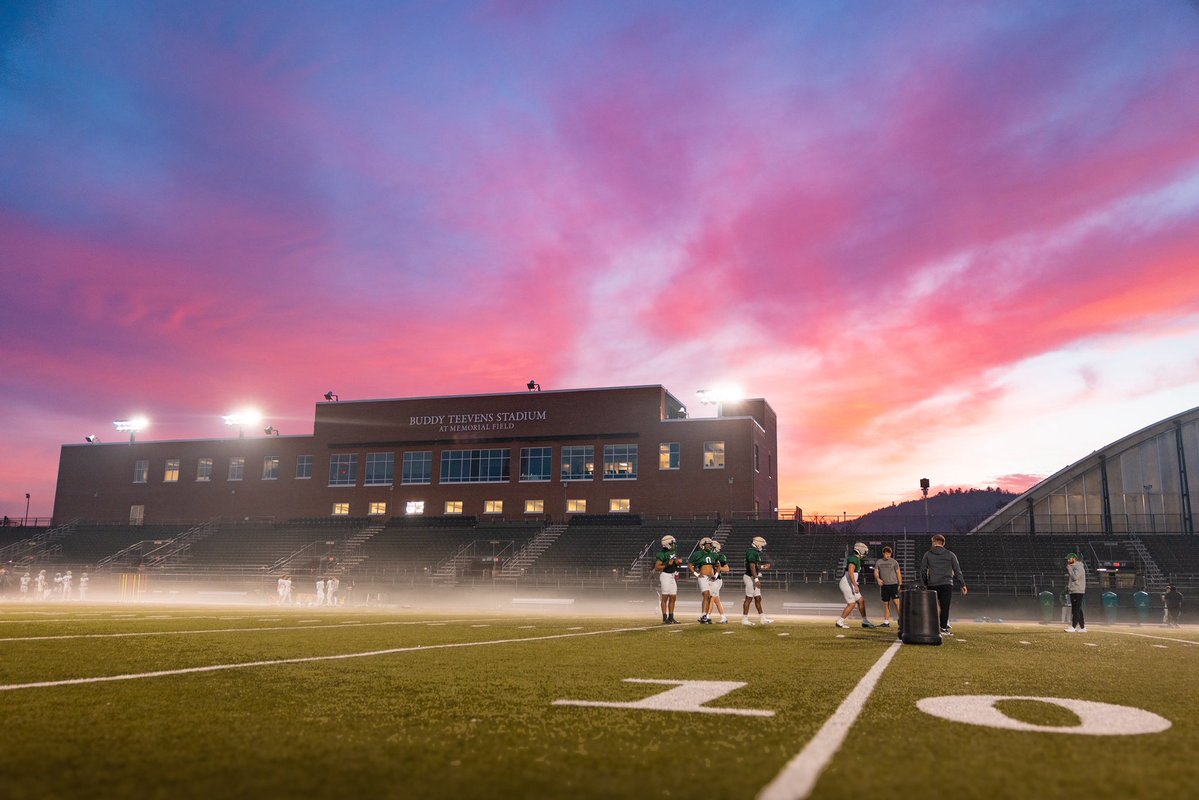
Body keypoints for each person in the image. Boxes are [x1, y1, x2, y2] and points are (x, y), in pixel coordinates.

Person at [919, 534, 968, 636]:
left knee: (931, 607)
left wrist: (925, 583)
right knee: (944, 607)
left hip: (932, 584)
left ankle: (930, 628)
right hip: (946, 584)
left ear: (934, 542)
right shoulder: (951, 554)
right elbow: (957, 570)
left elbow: (923, 570)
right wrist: (962, 584)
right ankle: (943, 628)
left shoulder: (927, 554)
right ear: (943, 543)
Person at [836, 542, 877, 629]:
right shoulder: (853, 558)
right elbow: (851, 572)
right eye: (864, 550)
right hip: (847, 583)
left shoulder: (857, 559)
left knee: (861, 601)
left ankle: (865, 621)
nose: (865, 552)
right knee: (852, 604)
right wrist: (855, 585)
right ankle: (840, 621)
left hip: (850, 583)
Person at [742, 536, 774, 625]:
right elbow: (752, 567)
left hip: (753, 577)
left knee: (758, 598)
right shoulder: (752, 552)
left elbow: (756, 566)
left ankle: (762, 618)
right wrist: (756, 579)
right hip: (750, 577)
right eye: (762, 545)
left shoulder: (754, 552)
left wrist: (764, 567)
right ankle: (744, 619)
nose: (762, 547)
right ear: (758, 544)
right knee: (748, 598)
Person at [653, 535, 684, 624]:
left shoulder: (673, 551)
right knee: (665, 598)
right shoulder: (661, 554)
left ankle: (671, 617)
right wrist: (668, 564)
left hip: (672, 576)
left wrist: (677, 563)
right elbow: (657, 567)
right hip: (665, 575)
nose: (674, 544)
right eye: (672, 543)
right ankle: (664, 618)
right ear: (667, 544)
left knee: (673, 597)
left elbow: (675, 563)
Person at [689, 537, 718, 624]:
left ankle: (706, 615)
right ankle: (704, 616)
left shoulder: (714, 554)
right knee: (706, 594)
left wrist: (716, 575)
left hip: (711, 578)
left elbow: (719, 566)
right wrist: (696, 574)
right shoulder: (698, 554)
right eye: (708, 545)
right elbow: (690, 564)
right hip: (703, 577)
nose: (710, 546)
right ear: (703, 546)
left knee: (709, 597)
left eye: (710, 545)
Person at [875, 546, 902, 627]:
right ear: (883, 553)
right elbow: (876, 572)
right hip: (884, 586)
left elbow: (898, 573)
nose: (888, 556)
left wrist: (900, 585)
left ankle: (902, 620)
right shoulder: (879, 562)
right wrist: (878, 579)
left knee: (897, 603)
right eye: (887, 554)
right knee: (886, 604)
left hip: (893, 585)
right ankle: (886, 622)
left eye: (889, 554)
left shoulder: (894, 562)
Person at [708, 540, 730, 623]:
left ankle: (707, 616)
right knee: (717, 600)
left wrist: (719, 568)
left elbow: (727, 569)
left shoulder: (720, 556)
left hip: (716, 580)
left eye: (710, 546)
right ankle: (724, 618)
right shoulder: (708, 555)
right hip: (710, 580)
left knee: (711, 599)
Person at [1064, 553, 1087, 633]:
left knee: (1075, 610)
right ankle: (1083, 627)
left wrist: (1069, 569)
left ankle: (1073, 627)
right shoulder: (1076, 566)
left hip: (1077, 590)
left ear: (1074, 558)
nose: (1067, 560)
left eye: (1069, 559)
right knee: (1078, 609)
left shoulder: (1078, 566)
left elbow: (1075, 578)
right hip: (1075, 590)